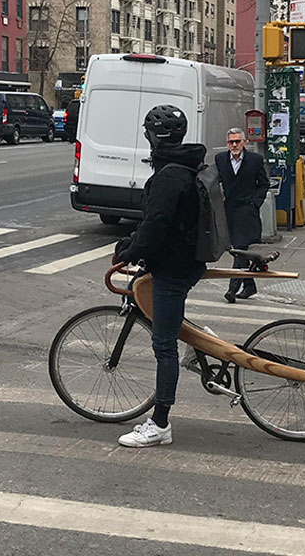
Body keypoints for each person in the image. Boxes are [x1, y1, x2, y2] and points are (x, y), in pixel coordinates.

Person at [113, 104, 205, 448]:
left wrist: (130, 250)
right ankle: (199, 341)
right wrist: (134, 243)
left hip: (172, 267)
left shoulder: (168, 176)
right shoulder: (184, 166)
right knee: (167, 321)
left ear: (154, 137)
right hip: (185, 261)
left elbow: (156, 225)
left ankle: (160, 423)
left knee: (164, 346)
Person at [215, 127, 270, 303]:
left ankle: (232, 289)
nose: (234, 145)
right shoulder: (220, 159)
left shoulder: (254, 160)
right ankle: (249, 286)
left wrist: (255, 203)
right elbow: (216, 180)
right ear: (227, 144)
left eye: (237, 141)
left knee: (240, 249)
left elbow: (264, 183)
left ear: (244, 142)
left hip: (247, 211)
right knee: (239, 251)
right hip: (229, 210)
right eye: (231, 142)